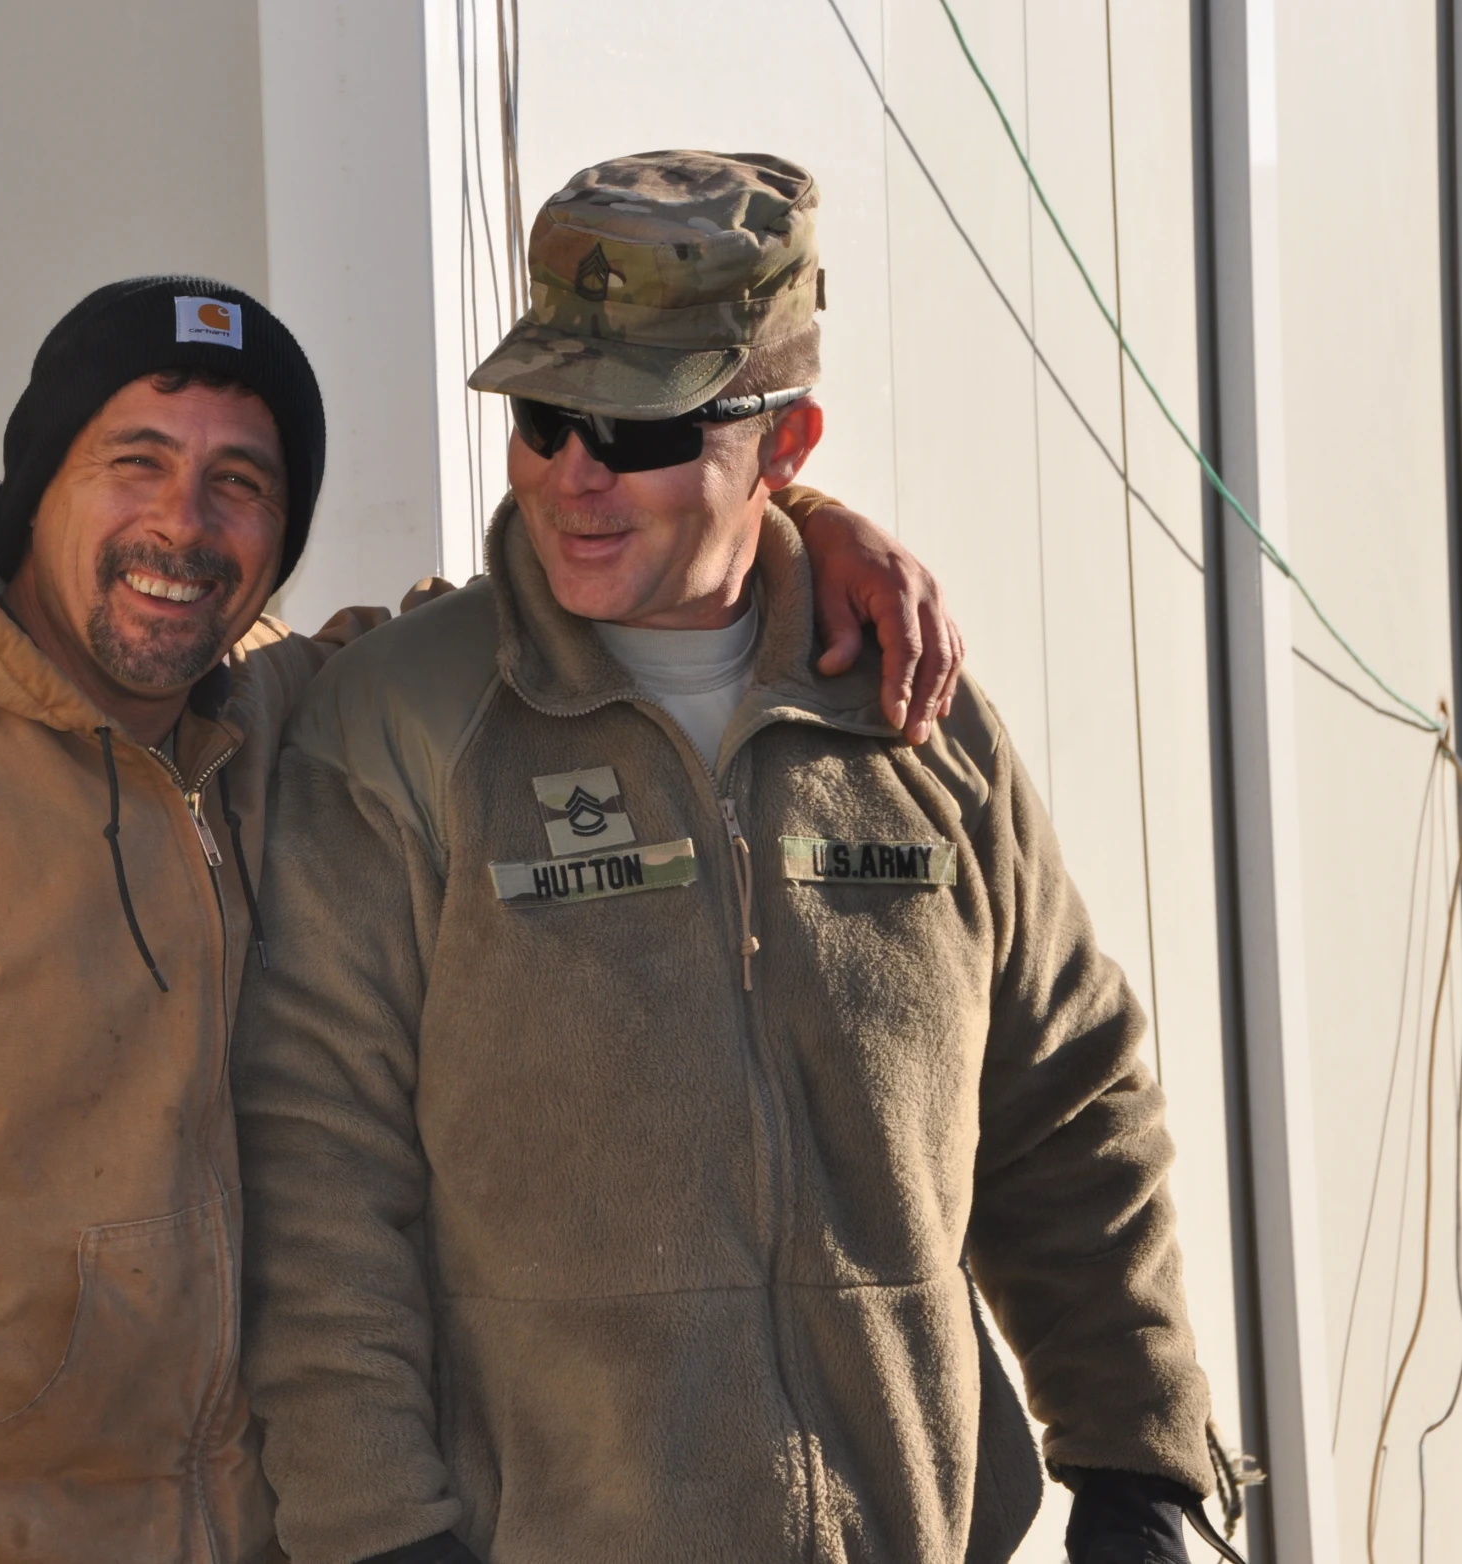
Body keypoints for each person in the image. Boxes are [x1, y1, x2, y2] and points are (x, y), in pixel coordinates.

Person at [0, 273, 965, 1563]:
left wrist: (797, 521)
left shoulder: (282, 725)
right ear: (33, 484)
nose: (183, 526)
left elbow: (580, 587)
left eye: (238, 484)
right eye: (134, 461)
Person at [232, 153, 1226, 1564]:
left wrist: (1140, 1462)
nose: (572, 475)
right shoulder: (400, 727)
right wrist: (378, 1535)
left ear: (789, 440)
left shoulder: (910, 714)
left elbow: (1064, 1099)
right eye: (541, 417)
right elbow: (317, 1180)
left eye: (640, 432)